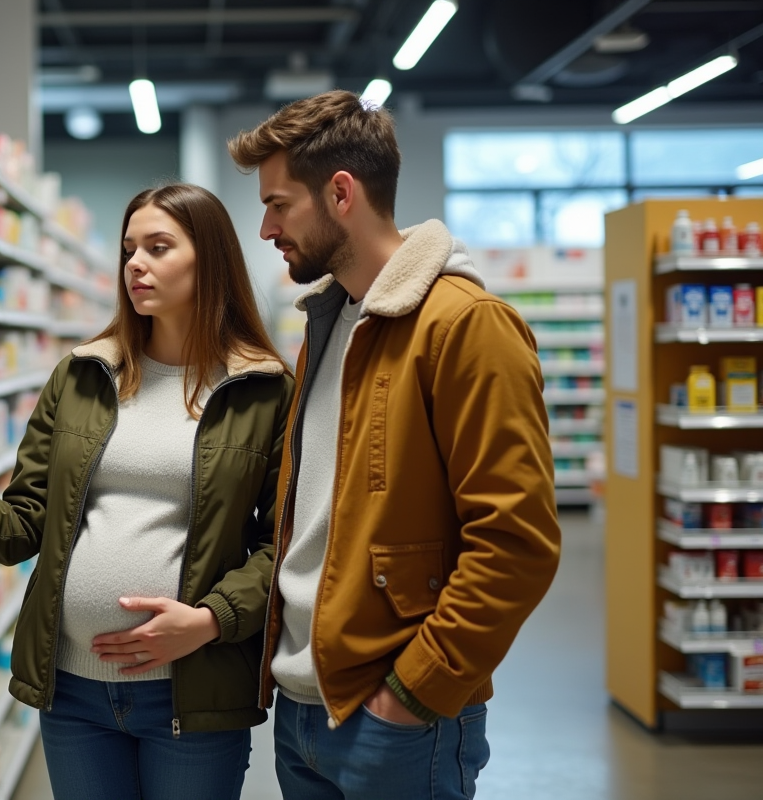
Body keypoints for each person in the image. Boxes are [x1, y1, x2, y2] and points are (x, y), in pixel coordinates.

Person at [0, 183, 294, 800]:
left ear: (210, 259)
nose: (136, 263)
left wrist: (209, 621)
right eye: (129, 248)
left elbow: (284, 543)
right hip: (74, 692)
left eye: (159, 247)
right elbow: (21, 526)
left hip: (191, 692)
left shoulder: (263, 390)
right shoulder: (84, 375)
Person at [227, 90, 562, 799]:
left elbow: (518, 542)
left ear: (341, 193)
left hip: (396, 716)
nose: (265, 228)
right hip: (304, 708)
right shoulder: (330, 323)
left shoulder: (466, 325)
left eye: (279, 204)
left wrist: (414, 692)